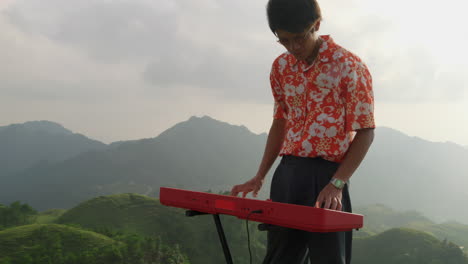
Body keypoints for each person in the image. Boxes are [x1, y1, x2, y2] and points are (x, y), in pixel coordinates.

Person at [230, 0, 375, 263]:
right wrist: (260, 175)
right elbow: (280, 123)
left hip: (328, 178)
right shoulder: (281, 68)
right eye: (284, 40)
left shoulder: (349, 66)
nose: (293, 48)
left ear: (316, 25)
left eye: (299, 38)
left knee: (328, 260)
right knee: (280, 258)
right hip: (287, 174)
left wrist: (337, 184)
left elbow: (366, 132)